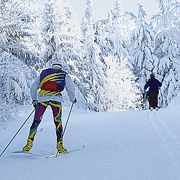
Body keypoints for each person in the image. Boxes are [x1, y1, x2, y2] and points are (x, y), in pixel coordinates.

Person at [22, 63, 77, 154]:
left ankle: (28, 145)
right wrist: (73, 99)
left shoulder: (44, 73)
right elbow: (70, 88)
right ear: (60, 67)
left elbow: (33, 88)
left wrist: (34, 100)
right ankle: (60, 146)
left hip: (42, 99)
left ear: (52, 66)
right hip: (56, 99)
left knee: (36, 121)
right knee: (58, 122)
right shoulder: (64, 74)